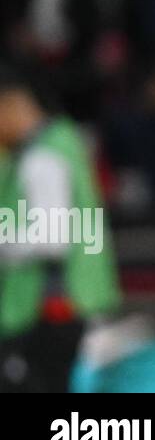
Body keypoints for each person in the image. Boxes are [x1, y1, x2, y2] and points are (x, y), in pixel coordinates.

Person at [0, 64, 121, 392]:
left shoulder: (41, 157)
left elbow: (51, 239)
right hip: (74, 302)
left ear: (12, 103)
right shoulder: (65, 141)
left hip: (46, 309)